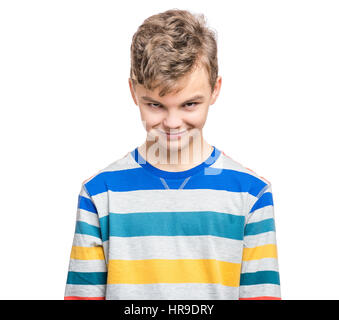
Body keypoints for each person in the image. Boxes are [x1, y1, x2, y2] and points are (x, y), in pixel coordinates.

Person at [64, 8, 281, 300]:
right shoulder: (99, 194)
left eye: (190, 104)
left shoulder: (251, 194)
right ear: (133, 92)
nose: (172, 122)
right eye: (155, 105)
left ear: (215, 89)